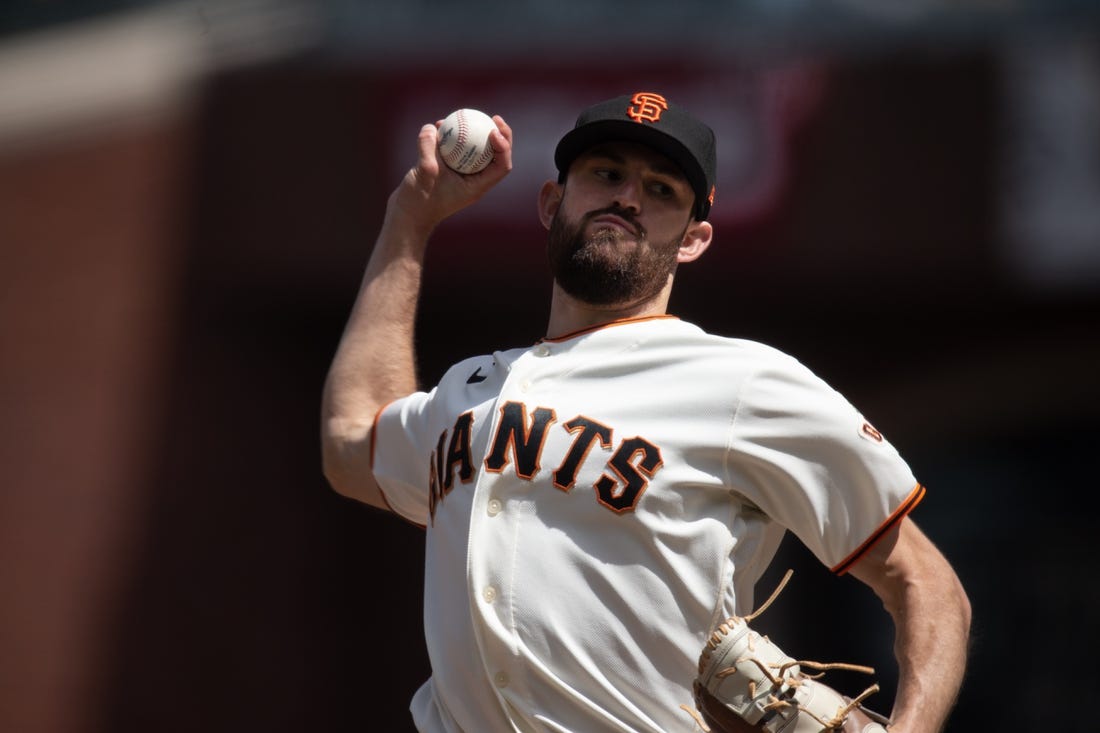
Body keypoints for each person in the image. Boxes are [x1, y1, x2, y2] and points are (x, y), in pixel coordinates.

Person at [321, 91, 971, 733]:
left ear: (693, 239)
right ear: (552, 204)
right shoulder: (471, 387)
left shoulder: (742, 382)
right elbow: (351, 441)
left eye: (662, 190)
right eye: (606, 174)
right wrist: (409, 220)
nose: (628, 198)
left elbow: (927, 582)